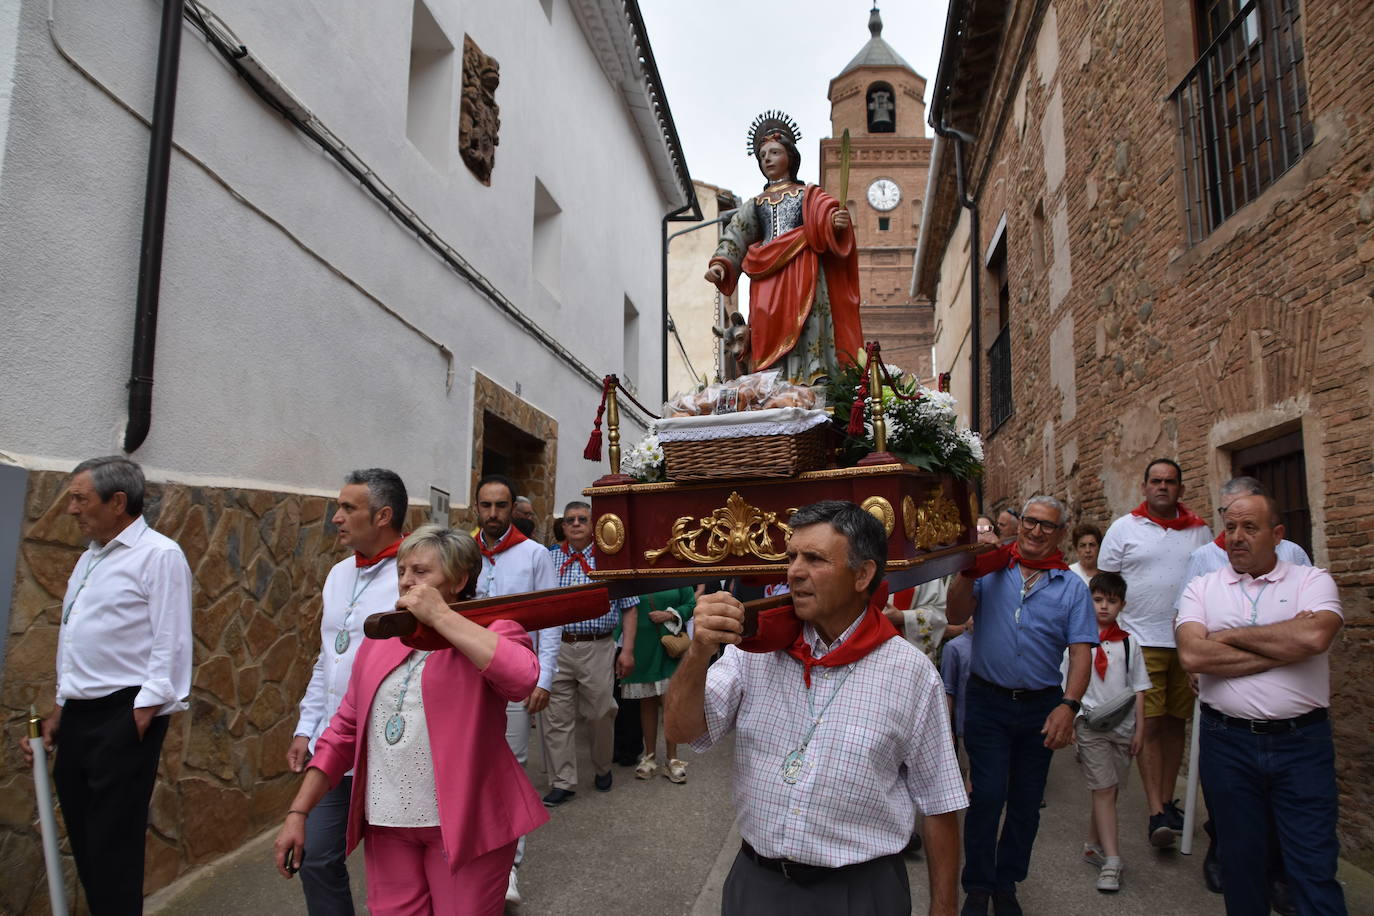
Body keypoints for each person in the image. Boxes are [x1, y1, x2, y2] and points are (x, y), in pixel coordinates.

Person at [664, 501, 965, 916]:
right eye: (791, 557)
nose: (793, 572)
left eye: (815, 559)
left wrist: (944, 908)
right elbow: (680, 730)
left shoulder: (910, 673)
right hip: (758, 884)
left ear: (863, 575)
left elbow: (940, 803)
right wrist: (699, 650)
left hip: (860, 892)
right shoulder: (755, 650)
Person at [274, 525, 548, 915]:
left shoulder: (492, 628)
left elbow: (521, 678)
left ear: (458, 580)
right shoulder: (382, 637)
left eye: (421, 572)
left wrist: (440, 615)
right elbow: (343, 733)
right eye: (402, 571)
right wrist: (298, 812)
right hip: (388, 822)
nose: (406, 581)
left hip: (466, 823)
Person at [20, 457, 192, 914]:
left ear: (118, 502)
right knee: (85, 836)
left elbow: (170, 639)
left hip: (124, 712)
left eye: (80, 498)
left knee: (113, 845)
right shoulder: (89, 558)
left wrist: (141, 714)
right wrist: (61, 708)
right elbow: (77, 639)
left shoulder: (159, 554)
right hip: (80, 714)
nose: (71, 508)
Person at [1176, 494, 1347, 915]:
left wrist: (1225, 637)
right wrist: (1283, 647)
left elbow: (1313, 639)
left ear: (1277, 535)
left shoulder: (1311, 580)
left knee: (1312, 864)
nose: (1236, 537)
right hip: (1227, 743)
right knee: (1240, 865)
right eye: (1230, 527)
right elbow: (1194, 657)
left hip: (1301, 744)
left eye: (1249, 528)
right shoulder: (1202, 586)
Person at [946, 495, 1098, 916]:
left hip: (1041, 706)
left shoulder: (1070, 587)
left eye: (1046, 526)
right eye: (1030, 522)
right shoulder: (992, 570)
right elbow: (955, 611)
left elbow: (1082, 652)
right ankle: (977, 886)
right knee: (988, 795)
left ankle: (1006, 883)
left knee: (1027, 802)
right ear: (1019, 524)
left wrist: (1069, 705)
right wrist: (966, 570)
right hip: (988, 701)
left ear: (1060, 534)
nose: (1035, 531)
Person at [288, 469, 407, 915]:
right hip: (336, 742)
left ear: (383, 516)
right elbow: (327, 658)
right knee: (316, 856)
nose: (336, 517)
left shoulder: (413, 572)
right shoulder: (338, 574)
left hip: (389, 745)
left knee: (395, 868)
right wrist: (307, 728)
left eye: (348, 508)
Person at [1096, 458, 1211, 847]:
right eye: (1156, 481)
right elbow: (1106, 585)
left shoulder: (1199, 531)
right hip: (1140, 640)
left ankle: (1166, 799)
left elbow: (1210, 583)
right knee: (1151, 724)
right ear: (1144, 487)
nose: (1163, 487)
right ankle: (1155, 810)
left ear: (1180, 488)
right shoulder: (1123, 529)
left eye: (1171, 482)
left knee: (1177, 722)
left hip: (1185, 641)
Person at [704, 112, 861, 383]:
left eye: (774, 152)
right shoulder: (756, 203)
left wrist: (836, 222)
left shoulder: (808, 195)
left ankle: (814, 374)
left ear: (790, 156)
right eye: (762, 154)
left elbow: (825, 219)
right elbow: (736, 234)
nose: (767, 158)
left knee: (809, 321)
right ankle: (770, 380)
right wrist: (721, 263)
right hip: (766, 277)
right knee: (764, 323)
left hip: (804, 269)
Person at [470, 474, 560, 906]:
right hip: (467, 678)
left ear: (513, 509)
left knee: (512, 766)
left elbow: (551, 619)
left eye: (500, 506)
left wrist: (543, 678)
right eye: (485, 506)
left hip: (514, 679)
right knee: (468, 767)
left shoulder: (534, 554)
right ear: (476, 507)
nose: (492, 515)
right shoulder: (463, 551)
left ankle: (509, 867)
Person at [541, 501, 638, 806]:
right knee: (556, 717)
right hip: (557, 645)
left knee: (599, 713)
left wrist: (628, 651)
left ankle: (602, 766)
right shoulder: (550, 559)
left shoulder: (609, 560)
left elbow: (630, 606)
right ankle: (563, 781)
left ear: (593, 524)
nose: (576, 524)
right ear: (563, 526)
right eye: (570, 520)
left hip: (598, 645)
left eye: (583, 519)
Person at [1068, 572, 1150, 894]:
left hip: (1123, 727)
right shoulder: (1077, 642)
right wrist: (1071, 720)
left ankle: (1093, 844)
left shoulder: (1130, 643)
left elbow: (1139, 689)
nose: (1104, 607)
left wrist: (1140, 730)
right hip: (1090, 726)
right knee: (1103, 789)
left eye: (1111, 601)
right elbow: (1067, 684)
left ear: (1122, 605)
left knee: (1109, 790)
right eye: (1098, 600)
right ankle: (1113, 861)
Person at [620, 585, 696, 783]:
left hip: (668, 647)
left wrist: (670, 615)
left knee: (670, 703)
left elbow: (691, 603)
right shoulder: (635, 574)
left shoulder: (674, 570)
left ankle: (672, 759)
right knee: (647, 704)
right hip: (641, 647)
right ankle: (650, 756)